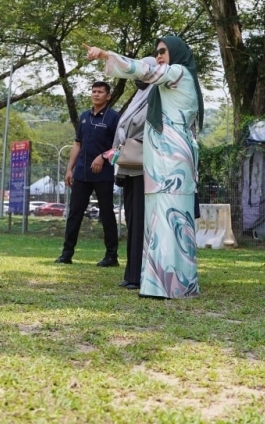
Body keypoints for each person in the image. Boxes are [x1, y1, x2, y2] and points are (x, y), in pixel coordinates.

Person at [84, 36, 203, 299]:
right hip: (161, 160)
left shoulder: (179, 73)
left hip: (172, 161)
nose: (159, 56)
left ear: (178, 53)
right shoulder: (169, 83)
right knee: (162, 221)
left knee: (171, 220)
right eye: (157, 52)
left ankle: (171, 285)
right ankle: (167, 283)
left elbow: (145, 70)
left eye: (163, 52)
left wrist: (106, 55)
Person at [56, 81, 121, 267]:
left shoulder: (114, 118)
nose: (96, 94)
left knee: (107, 214)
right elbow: (77, 143)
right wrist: (70, 169)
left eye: (100, 92)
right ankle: (66, 254)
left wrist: (103, 156)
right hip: (82, 173)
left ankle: (111, 256)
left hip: (104, 174)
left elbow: (119, 146)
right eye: (94, 91)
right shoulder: (84, 117)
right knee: (74, 213)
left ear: (108, 96)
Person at [111, 71, 154, 290]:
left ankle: (139, 275)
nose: (138, 78)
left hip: (144, 169)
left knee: (140, 222)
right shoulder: (137, 98)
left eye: (142, 73)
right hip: (129, 167)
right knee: (132, 222)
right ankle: (131, 273)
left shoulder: (156, 96)